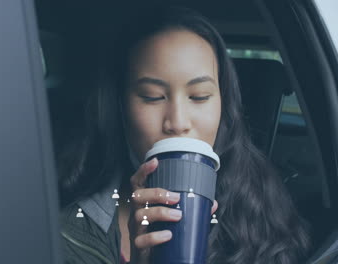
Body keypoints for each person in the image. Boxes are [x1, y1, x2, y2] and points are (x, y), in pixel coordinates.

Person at [58, 5, 311, 264]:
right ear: (120, 108)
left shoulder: (259, 206)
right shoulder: (70, 236)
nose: (177, 123)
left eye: (199, 96)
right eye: (152, 97)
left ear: (223, 106)